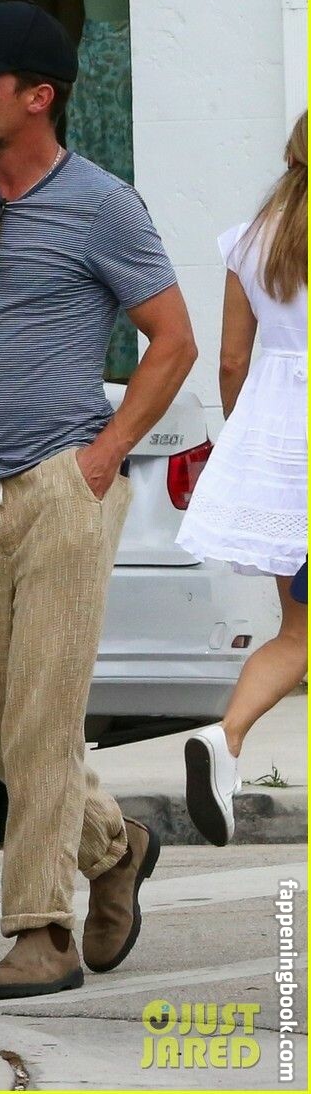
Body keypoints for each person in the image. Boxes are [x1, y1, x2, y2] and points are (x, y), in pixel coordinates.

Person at [0, 2, 198, 1001]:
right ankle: (117, 846)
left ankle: (41, 932)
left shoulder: (103, 204)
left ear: (38, 96)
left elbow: (173, 340)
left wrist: (103, 456)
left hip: (62, 480)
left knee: (41, 719)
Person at [178, 111, 308, 846]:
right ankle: (224, 738)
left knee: (296, 633)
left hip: (280, 459)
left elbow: (232, 362)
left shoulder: (251, 240)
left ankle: (224, 737)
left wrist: (253, 447)